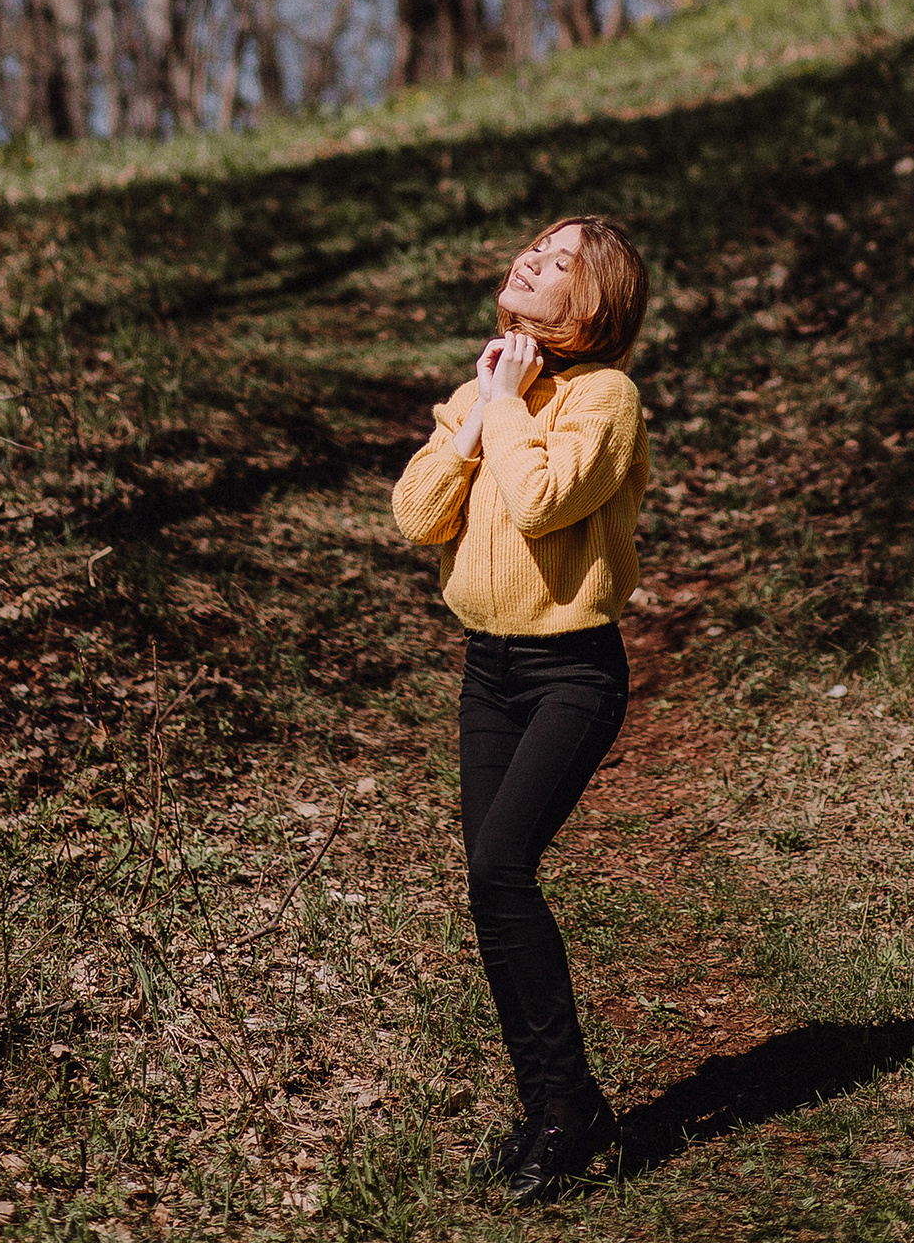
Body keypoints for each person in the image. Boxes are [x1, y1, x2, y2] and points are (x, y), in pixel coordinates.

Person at [390, 214, 652, 1203]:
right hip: (488, 672)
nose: (527, 261)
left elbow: (543, 498)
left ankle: (562, 1110)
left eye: (556, 262)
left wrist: (496, 409)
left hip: (571, 673)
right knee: (491, 889)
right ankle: (557, 1103)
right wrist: (473, 418)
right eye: (529, 250)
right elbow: (418, 516)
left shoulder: (605, 398)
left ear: (591, 304)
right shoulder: (482, 391)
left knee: (502, 867)